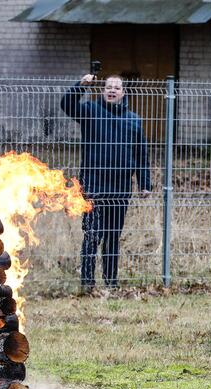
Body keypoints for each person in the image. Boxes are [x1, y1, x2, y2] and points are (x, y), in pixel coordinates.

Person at [61, 74, 151, 290]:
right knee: (92, 236)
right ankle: (87, 284)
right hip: (93, 186)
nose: (112, 90)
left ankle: (111, 283)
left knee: (112, 238)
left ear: (123, 92)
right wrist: (81, 85)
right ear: (103, 91)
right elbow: (67, 105)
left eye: (116, 87)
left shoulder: (133, 120)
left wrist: (144, 183)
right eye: (108, 87)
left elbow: (141, 154)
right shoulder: (90, 112)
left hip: (120, 189)